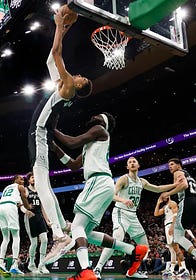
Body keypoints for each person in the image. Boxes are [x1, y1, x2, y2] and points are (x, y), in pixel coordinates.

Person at [51, 113, 154, 280]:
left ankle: (85, 270)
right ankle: (133, 250)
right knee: (87, 233)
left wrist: (52, 130)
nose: (93, 116)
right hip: (104, 184)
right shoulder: (91, 144)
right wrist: (55, 148)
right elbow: (73, 165)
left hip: (97, 181)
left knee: (76, 227)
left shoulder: (100, 130)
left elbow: (72, 142)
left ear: (104, 122)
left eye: (98, 115)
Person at [27, 7, 93, 261]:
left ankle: (59, 234)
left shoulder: (67, 89)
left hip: (40, 133)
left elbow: (56, 53)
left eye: (80, 77)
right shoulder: (63, 86)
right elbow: (49, 60)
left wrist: (58, 24)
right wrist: (66, 28)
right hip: (40, 134)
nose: (77, 75)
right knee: (44, 183)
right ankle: (63, 227)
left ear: (78, 85)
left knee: (41, 181)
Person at [93, 156, 181, 280]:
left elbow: (157, 188)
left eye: (134, 161)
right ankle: (97, 268)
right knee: (117, 238)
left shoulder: (142, 181)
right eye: (130, 162)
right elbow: (111, 195)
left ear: (138, 165)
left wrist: (175, 184)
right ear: (127, 167)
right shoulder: (124, 179)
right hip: (120, 212)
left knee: (144, 247)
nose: (132, 163)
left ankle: (132, 271)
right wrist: (123, 200)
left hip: (133, 215)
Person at [0, 175, 33, 276]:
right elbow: (24, 201)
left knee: (5, 238)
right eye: (21, 179)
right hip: (10, 207)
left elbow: (20, 205)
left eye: (23, 180)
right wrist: (29, 207)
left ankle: (1, 263)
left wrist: (25, 211)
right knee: (16, 236)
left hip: (1, 207)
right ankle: (14, 265)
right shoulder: (20, 187)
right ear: (15, 180)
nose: (23, 181)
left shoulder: (7, 188)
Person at [20, 172, 50, 274]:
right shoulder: (25, 190)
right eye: (32, 178)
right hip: (30, 217)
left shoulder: (40, 191)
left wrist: (47, 221)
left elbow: (43, 207)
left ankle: (42, 264)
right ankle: (31, 264)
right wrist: (26, 211)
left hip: (39, 217)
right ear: (29, 180)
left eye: (35, 178)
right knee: (34, 242)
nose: (34, 179)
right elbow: (21, 204)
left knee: (45, 240)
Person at [154, 195, 189, 278]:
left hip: (172, 226)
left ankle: (184, 268)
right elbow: (156, 213)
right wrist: (158, 203)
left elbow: (176, 215)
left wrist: (173, 226)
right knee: (172, 249)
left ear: (168, 196)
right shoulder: (166, 206)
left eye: (164, 196)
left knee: (176, 247)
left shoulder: (172, 203)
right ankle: (172, 270)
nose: (163, 198)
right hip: (167, 226)